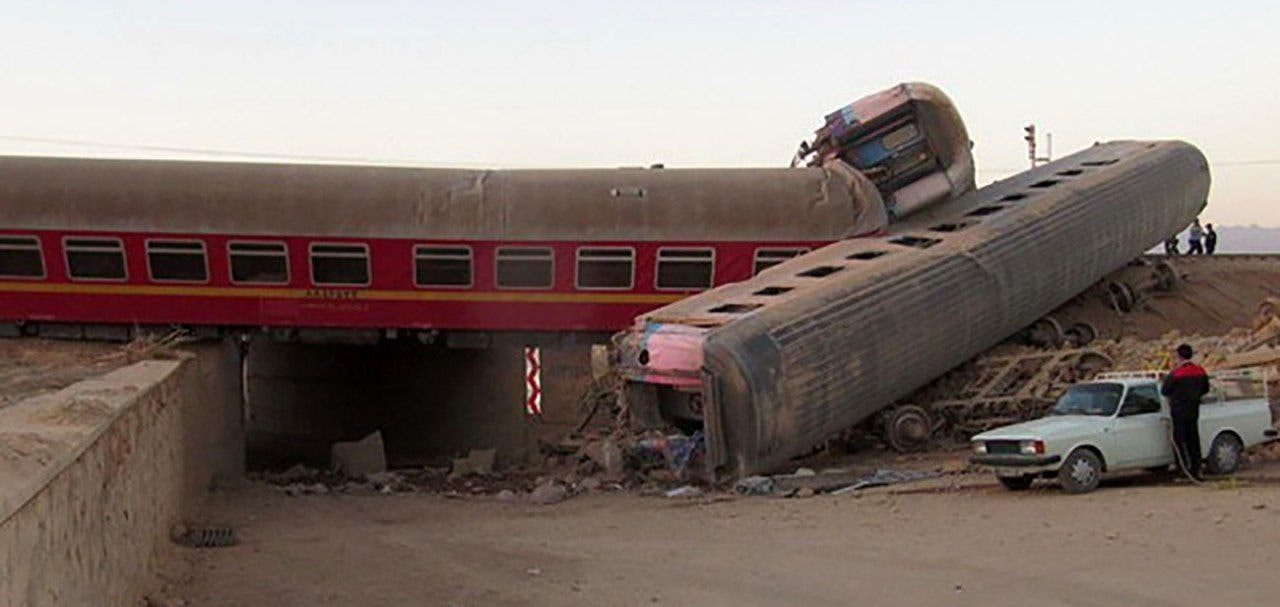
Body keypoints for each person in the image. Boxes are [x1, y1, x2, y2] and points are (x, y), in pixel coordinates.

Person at [1160, 344, 1211, 479]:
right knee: (1193, 439)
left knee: (1179, 440)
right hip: (1194, 409)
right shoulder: (1200, 371)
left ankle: (1183, 470)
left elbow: (1164, 390)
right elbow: (1206, 389)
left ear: (1179, 356)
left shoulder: (1176, 373)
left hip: (1178, 410)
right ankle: (1196, 469)